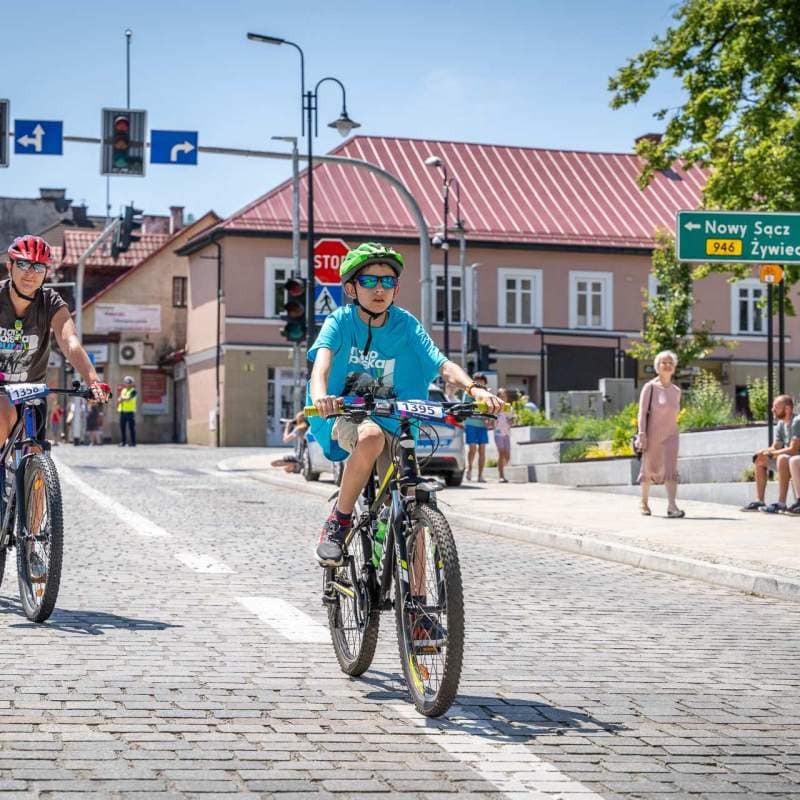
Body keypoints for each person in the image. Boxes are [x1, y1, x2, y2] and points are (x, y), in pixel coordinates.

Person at [308, 242, 503, 581]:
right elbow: (321, 365)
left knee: (412, 500)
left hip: (397, 420)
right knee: (370, 437)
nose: (379, 289)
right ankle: (338, 522)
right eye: (369, 281)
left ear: (396, 289)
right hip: (347, 413)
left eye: (388, 281)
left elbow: (442, 365)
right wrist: (322, 397)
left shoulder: (406, 325)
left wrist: (474, 389)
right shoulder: (340, 321)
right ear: (351, 288)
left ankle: (419, 598)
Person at [0, 236, 108, 442]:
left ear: (46, 272)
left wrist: (93, 381)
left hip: (32, 392)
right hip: (0, 392)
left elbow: (70, 342)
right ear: (9, 266)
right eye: (23, 264)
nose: (30, 273)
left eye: (38, 266)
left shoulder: (51, 302)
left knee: (35, 451)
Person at [636, 350, 684, 518]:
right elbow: (642, 413)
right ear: (657, 366)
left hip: (671, 436)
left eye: (670, 363)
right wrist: (642, 433)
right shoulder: (650, 387)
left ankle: (672, 506)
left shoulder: (676, 391)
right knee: (649, 468)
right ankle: (644, 502)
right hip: (652, 435)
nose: (667, 365)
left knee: (671, 470)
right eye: (664, 362)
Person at [741, 394, 800, 513]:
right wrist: (763, 452)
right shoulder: (781, 424)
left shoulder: (796, 422)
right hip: (788, 461)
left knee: (782, 458)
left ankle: (781, 503)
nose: (772, 410)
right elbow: (776, 446)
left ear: (787, 409)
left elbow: (793, 449)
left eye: (776, 407)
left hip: (794, 461)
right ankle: (759, 501)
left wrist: (771, 454)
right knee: (760, 460)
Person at [463, 372, 491, 482]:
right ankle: (469, 469)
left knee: (482, 451)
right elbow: (465, 407)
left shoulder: (487, 393)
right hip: (471, 424)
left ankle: (480, 475)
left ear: (484, 382)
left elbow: (489, 409)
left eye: (482, 381)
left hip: (482, 426)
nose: (480, 383)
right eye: (477, 381)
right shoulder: (468, 392)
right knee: (473, 449)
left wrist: (489, 419)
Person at [494, 387, 514, 483]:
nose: (502, 398)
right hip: (498, 433)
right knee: (501, 453)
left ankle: (500, 465)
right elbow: (490, 419)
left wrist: (511, 420)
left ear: (507, 397)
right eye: (500, 396)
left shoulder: (509, 408)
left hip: (507, 434)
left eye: (504, 396)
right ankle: (501, 476)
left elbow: (512, 419)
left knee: (507, 456)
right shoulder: (495, 408)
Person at [117, 376, 137, 446]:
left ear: (132, 384)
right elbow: (120, 399)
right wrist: (119, 400)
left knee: (131, 428)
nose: (128, 384)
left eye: (129, 383)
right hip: (122, 411)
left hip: (130, 412)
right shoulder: (123, 390)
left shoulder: (133, 391)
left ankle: (133, 442)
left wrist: (122, 398)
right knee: (122, 428)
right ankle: (123, 442)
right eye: (126, 383)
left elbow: (129, 398)